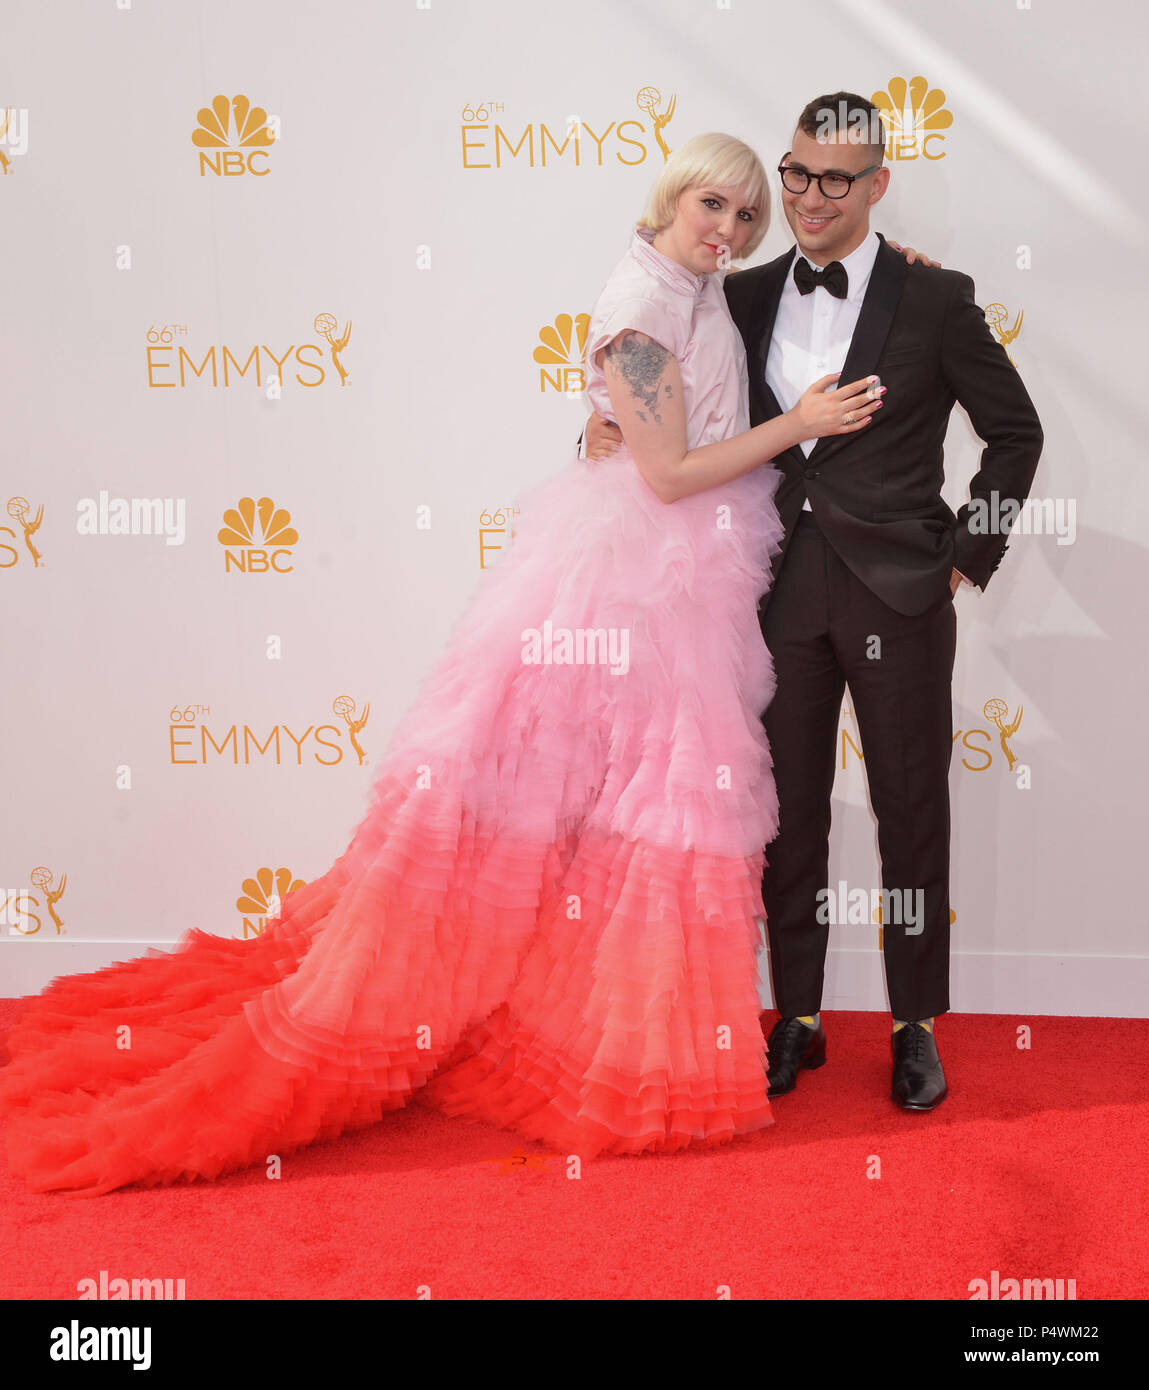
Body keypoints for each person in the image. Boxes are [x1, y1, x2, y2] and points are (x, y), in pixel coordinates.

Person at [0, 133, 892, 1196]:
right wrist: (799, 423)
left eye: (749, 216)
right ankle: (596, 1048)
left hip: (686, 575)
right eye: (715, 205)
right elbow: (666, 473)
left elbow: (675, 395)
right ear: (670, 195)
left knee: (628, 815)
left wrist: (898, 264)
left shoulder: (693, 284)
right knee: (629, 808)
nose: (732, 231)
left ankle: (594, 1031)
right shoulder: (640, 304)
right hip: (634, 576)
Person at [584, 94, 1044, 1112]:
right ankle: (794, 1016)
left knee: (910, 812)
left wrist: (970, 552)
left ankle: (915, 1024)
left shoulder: (935, 298)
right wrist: (601, 430)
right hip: (769, 589)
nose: (807, 198)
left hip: (901, 594)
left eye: (836, 179)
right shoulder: (731, 294)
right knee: (782, 815)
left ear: (877, 185)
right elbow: (662, 381)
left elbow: (1017, 433)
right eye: (795, 175)